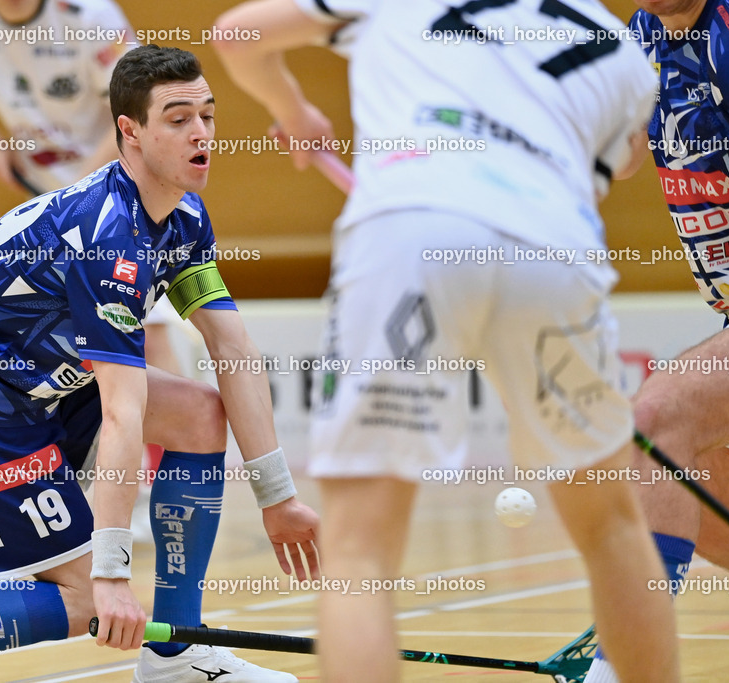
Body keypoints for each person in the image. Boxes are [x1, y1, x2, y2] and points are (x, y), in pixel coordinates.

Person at [0, 45, 318, 683]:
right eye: (179, 119)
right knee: (81, 602)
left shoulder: (181, 215)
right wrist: (112, 574)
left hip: (41, 386)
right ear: (130, 131)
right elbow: (124, 415)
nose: (202, 132)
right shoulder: (107, 237)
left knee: (200, 415)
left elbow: (232, 348)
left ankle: (177, 656)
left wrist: (278, 497)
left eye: (208, 115)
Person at [213, 1, 680, 681]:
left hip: (413, 229)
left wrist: (291, 112)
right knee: (614, 526)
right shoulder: (624, 53)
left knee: (360, 547)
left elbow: (237, 35)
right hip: (555, 244)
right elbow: (614, 162)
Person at [0, 0, 182, 541]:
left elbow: (144, 112)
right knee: (55, 340)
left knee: (152, 339)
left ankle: (167, 489)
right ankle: (83, 485)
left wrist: (83, 190)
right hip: (44, 203)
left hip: (117, 188)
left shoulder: (91, 17)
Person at [581, 0, 729, 681]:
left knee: (654, 421)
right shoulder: (639, 39)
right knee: (677, 466)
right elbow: (618, 159)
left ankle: (620, 671)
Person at [0, 0, 129, 192]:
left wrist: (76, 193)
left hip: (118, 185)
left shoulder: (94, 16)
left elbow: (136, 113)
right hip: (44, 190)